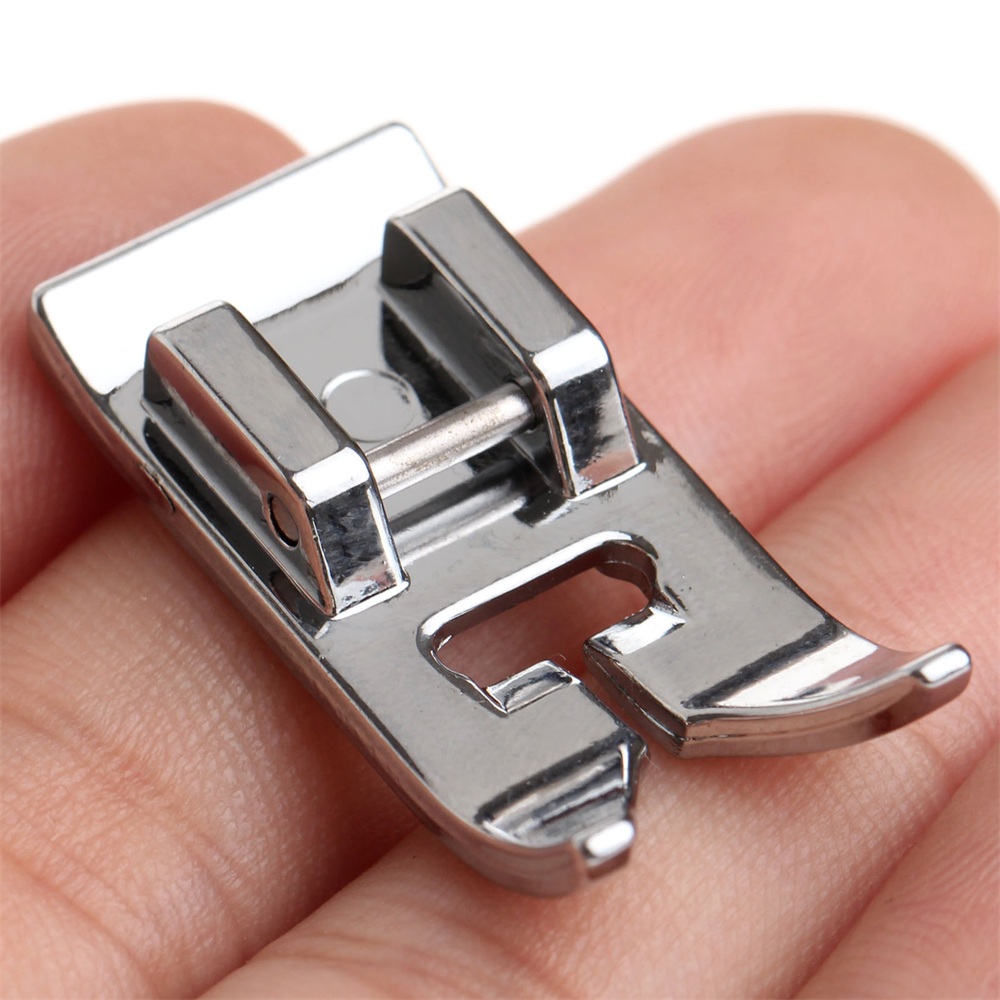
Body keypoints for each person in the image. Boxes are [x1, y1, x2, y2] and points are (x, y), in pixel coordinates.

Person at [2, 103, 996, 998]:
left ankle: (764, 655)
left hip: (525, 441)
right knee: (347, 484)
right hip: (311, 483)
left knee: (563, 391)